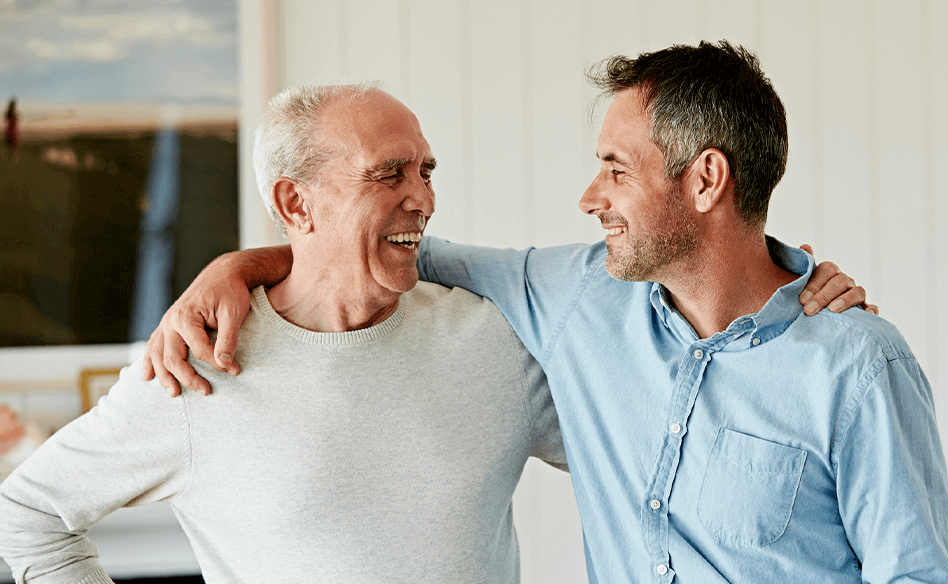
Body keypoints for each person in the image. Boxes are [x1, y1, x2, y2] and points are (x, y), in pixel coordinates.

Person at [150, 42, 948, 583]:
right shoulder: (577, 298)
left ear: (706, 181)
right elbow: (390, 247)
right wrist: (240, 266)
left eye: (615, 170)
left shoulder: (855, 361)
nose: (589, 197)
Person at [0, 83, 567, 583]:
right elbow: (29, 514)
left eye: (426, 171)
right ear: (295, 203)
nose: (424, 199)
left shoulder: (495, 344)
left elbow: (641, 458)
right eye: (388, 173)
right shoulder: (193, 368)